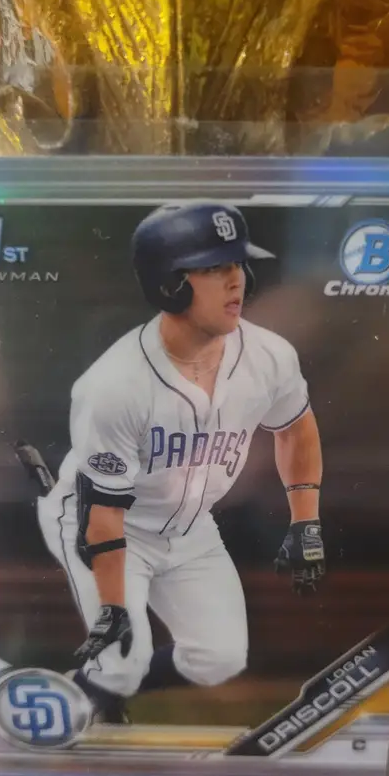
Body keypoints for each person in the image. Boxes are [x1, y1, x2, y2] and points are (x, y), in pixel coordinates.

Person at [37, 200, 325, 722]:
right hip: (103, 522)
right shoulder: (114, 385)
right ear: (169, 285)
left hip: (189, 525)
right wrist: (112, 607)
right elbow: (103, 513)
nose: (236, 280)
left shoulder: (269, 355)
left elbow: (296, 428)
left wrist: (305, 522)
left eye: (238, 264)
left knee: (220, 659)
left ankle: (104, 685)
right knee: (122, 658)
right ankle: (94, 699)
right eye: (214, 268)